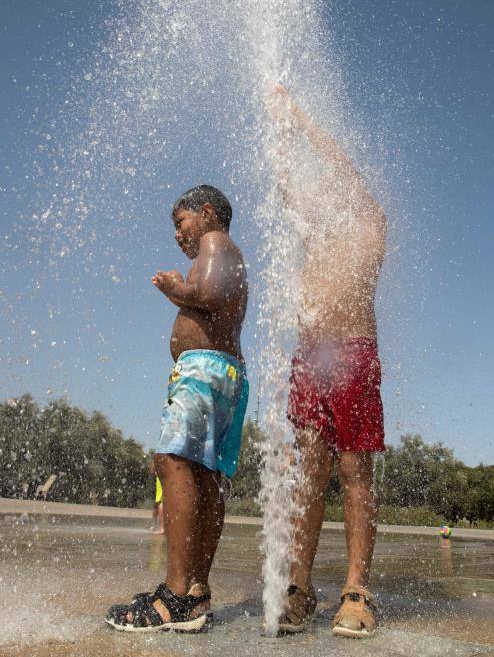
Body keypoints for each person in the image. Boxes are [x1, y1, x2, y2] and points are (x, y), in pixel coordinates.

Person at [266, 86, 386, 639]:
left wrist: (303, 118)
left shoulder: (370, 225)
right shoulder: (317, 232)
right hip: (310, 357)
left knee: (353, 470)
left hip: (354, 353)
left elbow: (343, 169)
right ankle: (300, 587)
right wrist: (281, 134)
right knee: (309, 470)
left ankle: (357, 591)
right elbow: (288, 188)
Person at [106, 185, 249, 633]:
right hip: (222, 373)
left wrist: (174, 288)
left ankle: (171, 596)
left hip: (203, 371)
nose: (177, 234)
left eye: (180, 222)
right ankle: (194, 593)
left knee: (172, 462)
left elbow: (207, 294)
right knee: (205, 479)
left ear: (206, 213)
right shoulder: (226, 249)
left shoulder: (215, 242)